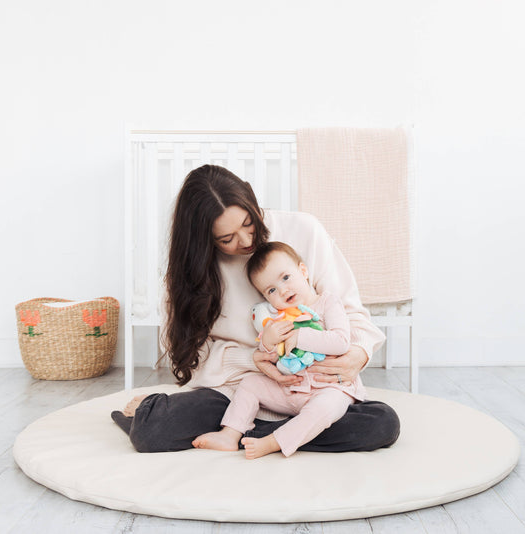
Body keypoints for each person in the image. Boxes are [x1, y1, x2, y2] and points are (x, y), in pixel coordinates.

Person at [111, 164, 399, 453]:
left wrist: (358, 354)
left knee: (382, 423)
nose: (247, 241)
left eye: (248, 222)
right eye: (227, 239)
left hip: (316, 387)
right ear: (203, 239)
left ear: (251, 198)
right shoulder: (189, 275)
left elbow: (350, 313)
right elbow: (189, 356)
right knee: (151, 431)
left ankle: (259, 437)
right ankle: (279, 433)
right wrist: (256, 359)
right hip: (237, 392)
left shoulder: (305, 230)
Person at [192, 241, 366, 459]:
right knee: (250, 383)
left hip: (330, 388)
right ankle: (230, 434)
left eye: (286, 277)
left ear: (303, 271)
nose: (283, 290)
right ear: (266, 298)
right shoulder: (278, 318)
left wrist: (300, 336)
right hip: (292, 390)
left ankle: (273, 441)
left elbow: (341, 342)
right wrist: (267, 341)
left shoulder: (327, 303)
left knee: (325, 408)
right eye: (272, 290)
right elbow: (272, 358)